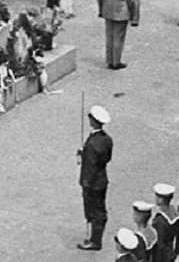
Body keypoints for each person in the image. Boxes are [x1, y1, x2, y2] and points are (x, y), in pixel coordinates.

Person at [77, 105, 113, 251]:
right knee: (100, 209)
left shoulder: (92, 143)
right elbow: (106, 158)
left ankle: (95, 241)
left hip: (92, 183)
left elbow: (90, 167)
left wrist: (85, 184)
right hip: (102, 178)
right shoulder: (106, 139)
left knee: (94, 211)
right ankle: (95, 238)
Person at [96, 0, 137, 70]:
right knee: (119, 37)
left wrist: (100, 9)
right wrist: (134, 15)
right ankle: (116, 61)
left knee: (109, 36)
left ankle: (109, 60)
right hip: (121, 11)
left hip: (107, 10)